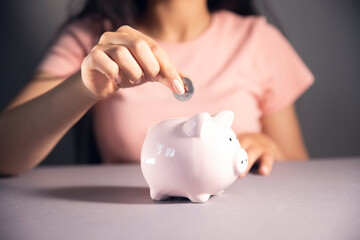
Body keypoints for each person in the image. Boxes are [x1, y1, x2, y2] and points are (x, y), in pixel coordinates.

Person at [0, 0, 314, 176]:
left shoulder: (259, 39)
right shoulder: (92, 38)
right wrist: (84, 86)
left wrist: (272, 153)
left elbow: (302, 172)